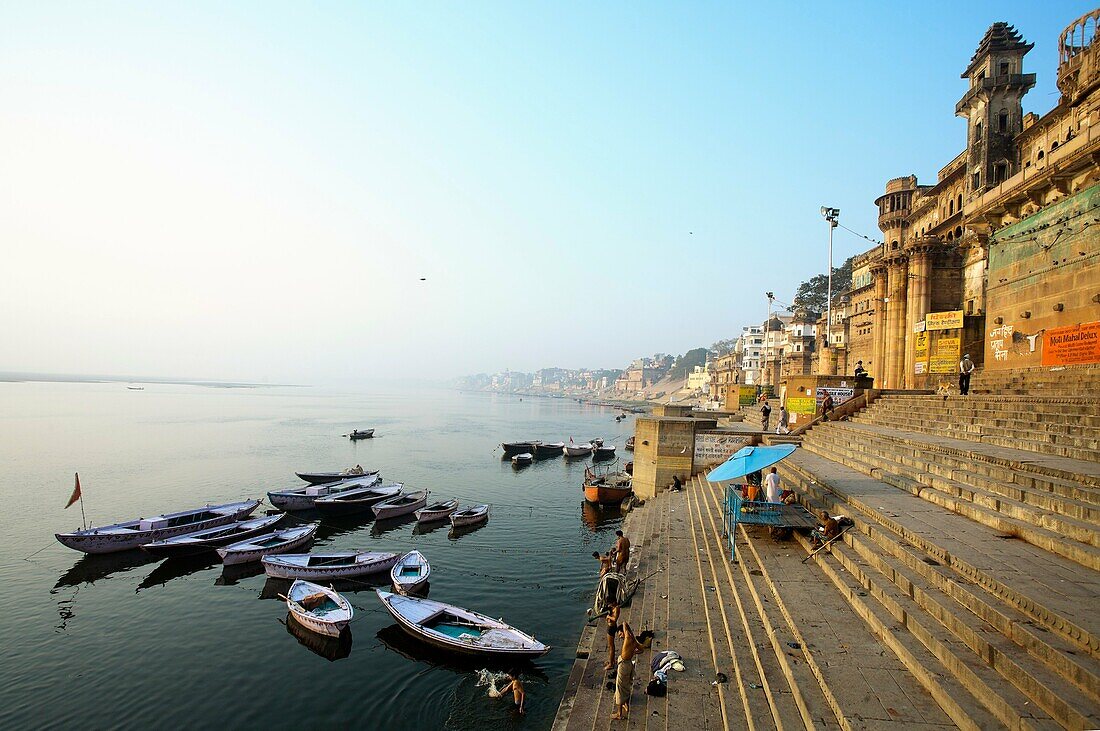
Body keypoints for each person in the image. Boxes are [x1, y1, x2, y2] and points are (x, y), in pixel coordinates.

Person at [611, 622, 644, 720]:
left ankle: (619, 713)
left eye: (620, 634)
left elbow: (624, 623)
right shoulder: (633, 641)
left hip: (624, 665)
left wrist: (626, 629)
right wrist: (634, 652)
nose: (620, 636)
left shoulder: (628, 638)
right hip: (629, 663)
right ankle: (626, 704)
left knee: (620, 687)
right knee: (626, 685)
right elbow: (642, 650)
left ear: (624, 631)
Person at [604, 600, 620, 670]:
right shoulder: (612, 608)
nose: (609, 605)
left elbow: (615, 618)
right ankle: (611, 660)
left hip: (612, 628)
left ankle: (611, 664)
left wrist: (608, 616)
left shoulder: (616, 608)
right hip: (610, 627)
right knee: (610, 645)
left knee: (611, 646)